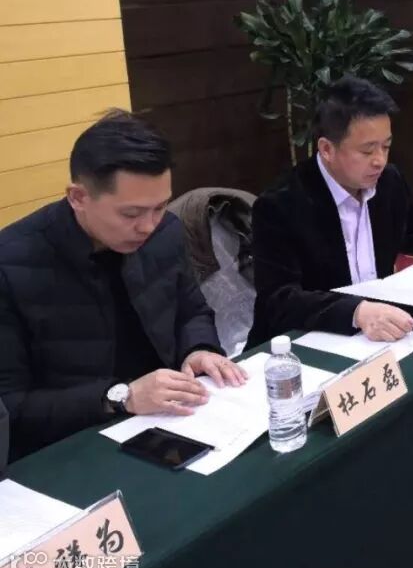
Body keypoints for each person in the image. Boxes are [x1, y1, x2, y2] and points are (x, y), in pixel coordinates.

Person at [0, 111, 243, 461]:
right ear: (78, 197)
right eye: (131, 214)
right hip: (71, 449)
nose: (148, 226)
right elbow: (11, 408)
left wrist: (199, 349)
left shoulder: (166, 231)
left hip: (171, 422)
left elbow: (191, 310)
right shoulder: (12, 265)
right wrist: (120, 396)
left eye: (160, 207)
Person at [249, 76, 413, 347]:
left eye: (386, 146)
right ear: (326, 149)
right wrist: (357, 312)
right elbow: (278, 300)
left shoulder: (388, 183)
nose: (380, 161)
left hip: (378, 335)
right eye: (367, 151)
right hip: (303, 344)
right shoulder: (280, 205)